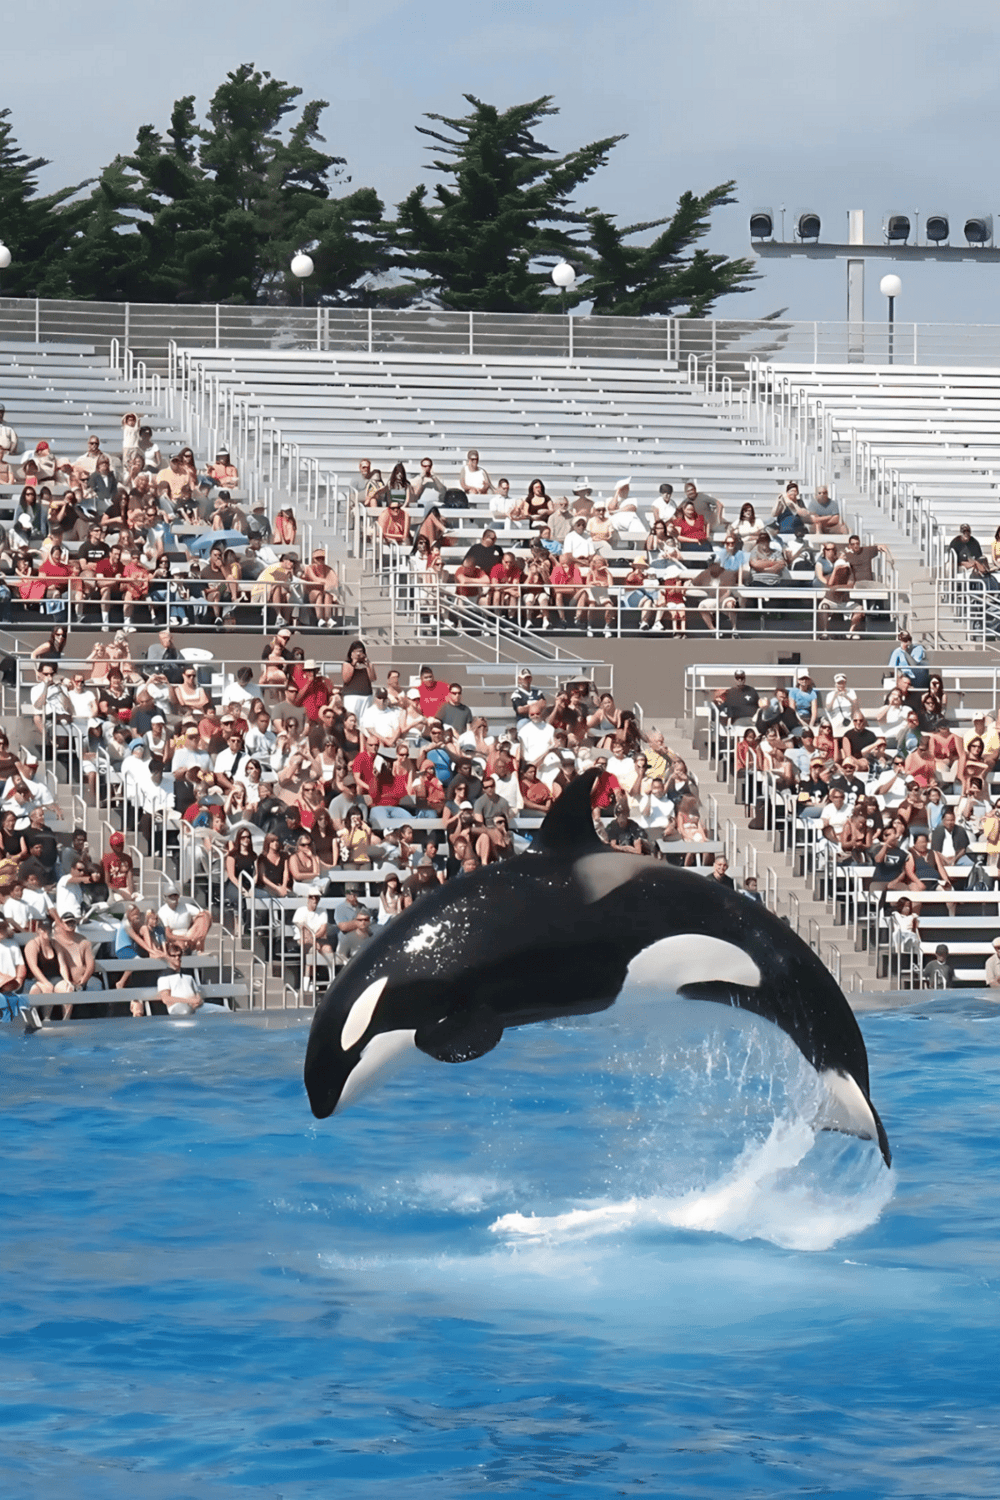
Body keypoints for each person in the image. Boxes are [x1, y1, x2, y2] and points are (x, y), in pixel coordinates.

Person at [158, 885, 213, 953]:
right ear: (165, 897)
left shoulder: (185, 906)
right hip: (174, 938)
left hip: (190, 934)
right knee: (178, 943)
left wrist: (196, 921)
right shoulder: (162, 912)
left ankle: (199, 944)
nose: (174, 898)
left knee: (206, 915)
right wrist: (185, 939)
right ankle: (193, 946)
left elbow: (205, 914)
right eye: (171, 896)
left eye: (175, 895)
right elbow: (168, 934)